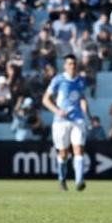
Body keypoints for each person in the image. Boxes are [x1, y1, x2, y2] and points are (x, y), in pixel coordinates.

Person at [42, 54, 90, 192]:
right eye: (69, 63)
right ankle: (62, 179)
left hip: (77, 119)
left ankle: (79, 180)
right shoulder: (58, 80)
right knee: (63, 154)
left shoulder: (81, 81)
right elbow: (45, 99)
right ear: (65, 65)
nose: (72, 66)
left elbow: (82, 98)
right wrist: (57, 111)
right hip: (61, 121)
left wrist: (86, 111)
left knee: (78, 149)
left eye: (74, 63)